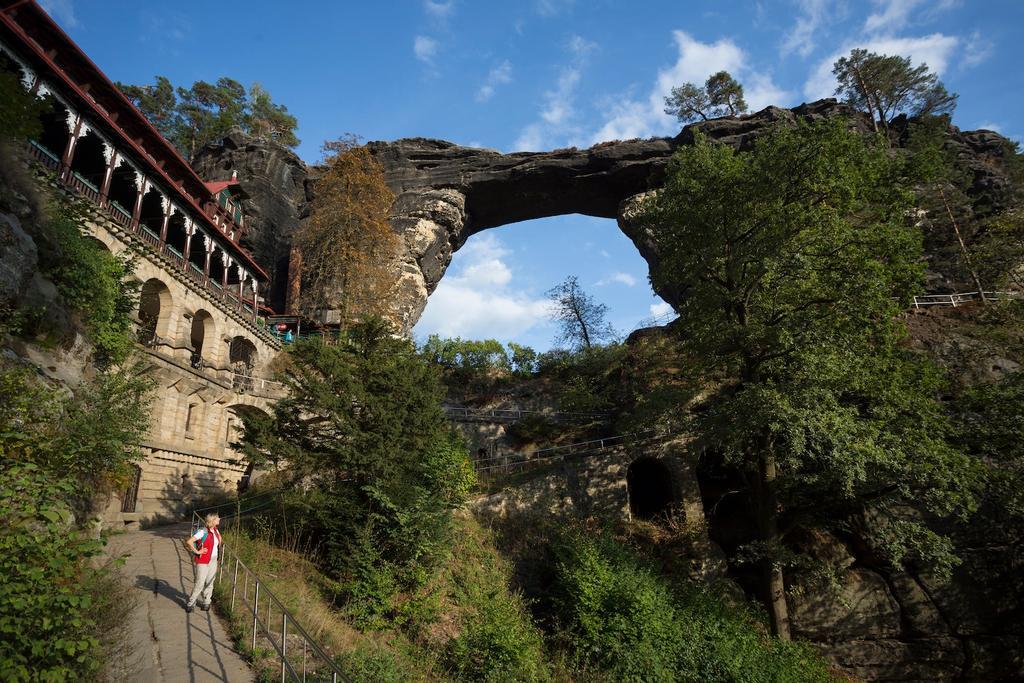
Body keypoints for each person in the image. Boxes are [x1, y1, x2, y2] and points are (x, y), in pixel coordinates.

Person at [185, 513, 222, 614]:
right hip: (203, 561)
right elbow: (189, 541)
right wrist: (197, 552)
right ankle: (191, 603)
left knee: (210, 582)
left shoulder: (216, 530)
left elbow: (218, 542)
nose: (219, 518)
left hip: (213, 560)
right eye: (217, 517)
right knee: (200, 582)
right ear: (212, 520)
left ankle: (207, 602)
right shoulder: (203, 531)